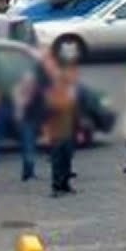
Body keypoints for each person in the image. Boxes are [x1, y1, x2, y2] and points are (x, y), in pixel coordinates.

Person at [44, 64, 80, 196]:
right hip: (57, 133)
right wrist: (47, 133)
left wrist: (78, 131)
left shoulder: (70, 93)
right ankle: (56, 186)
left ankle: (65, 184)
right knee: (57, 161)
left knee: (67, 160)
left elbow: (74, 114)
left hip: (68, 132)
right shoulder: (52, 95)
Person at [13, 70, 41, 181]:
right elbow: (20, 106)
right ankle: (28, 173)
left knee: (29, 147)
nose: (30, 84)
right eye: (27, 81)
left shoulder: (34, 91)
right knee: (28, 148)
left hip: (31, 121)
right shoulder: (19, 91)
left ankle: (28, 172)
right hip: (25, 122)